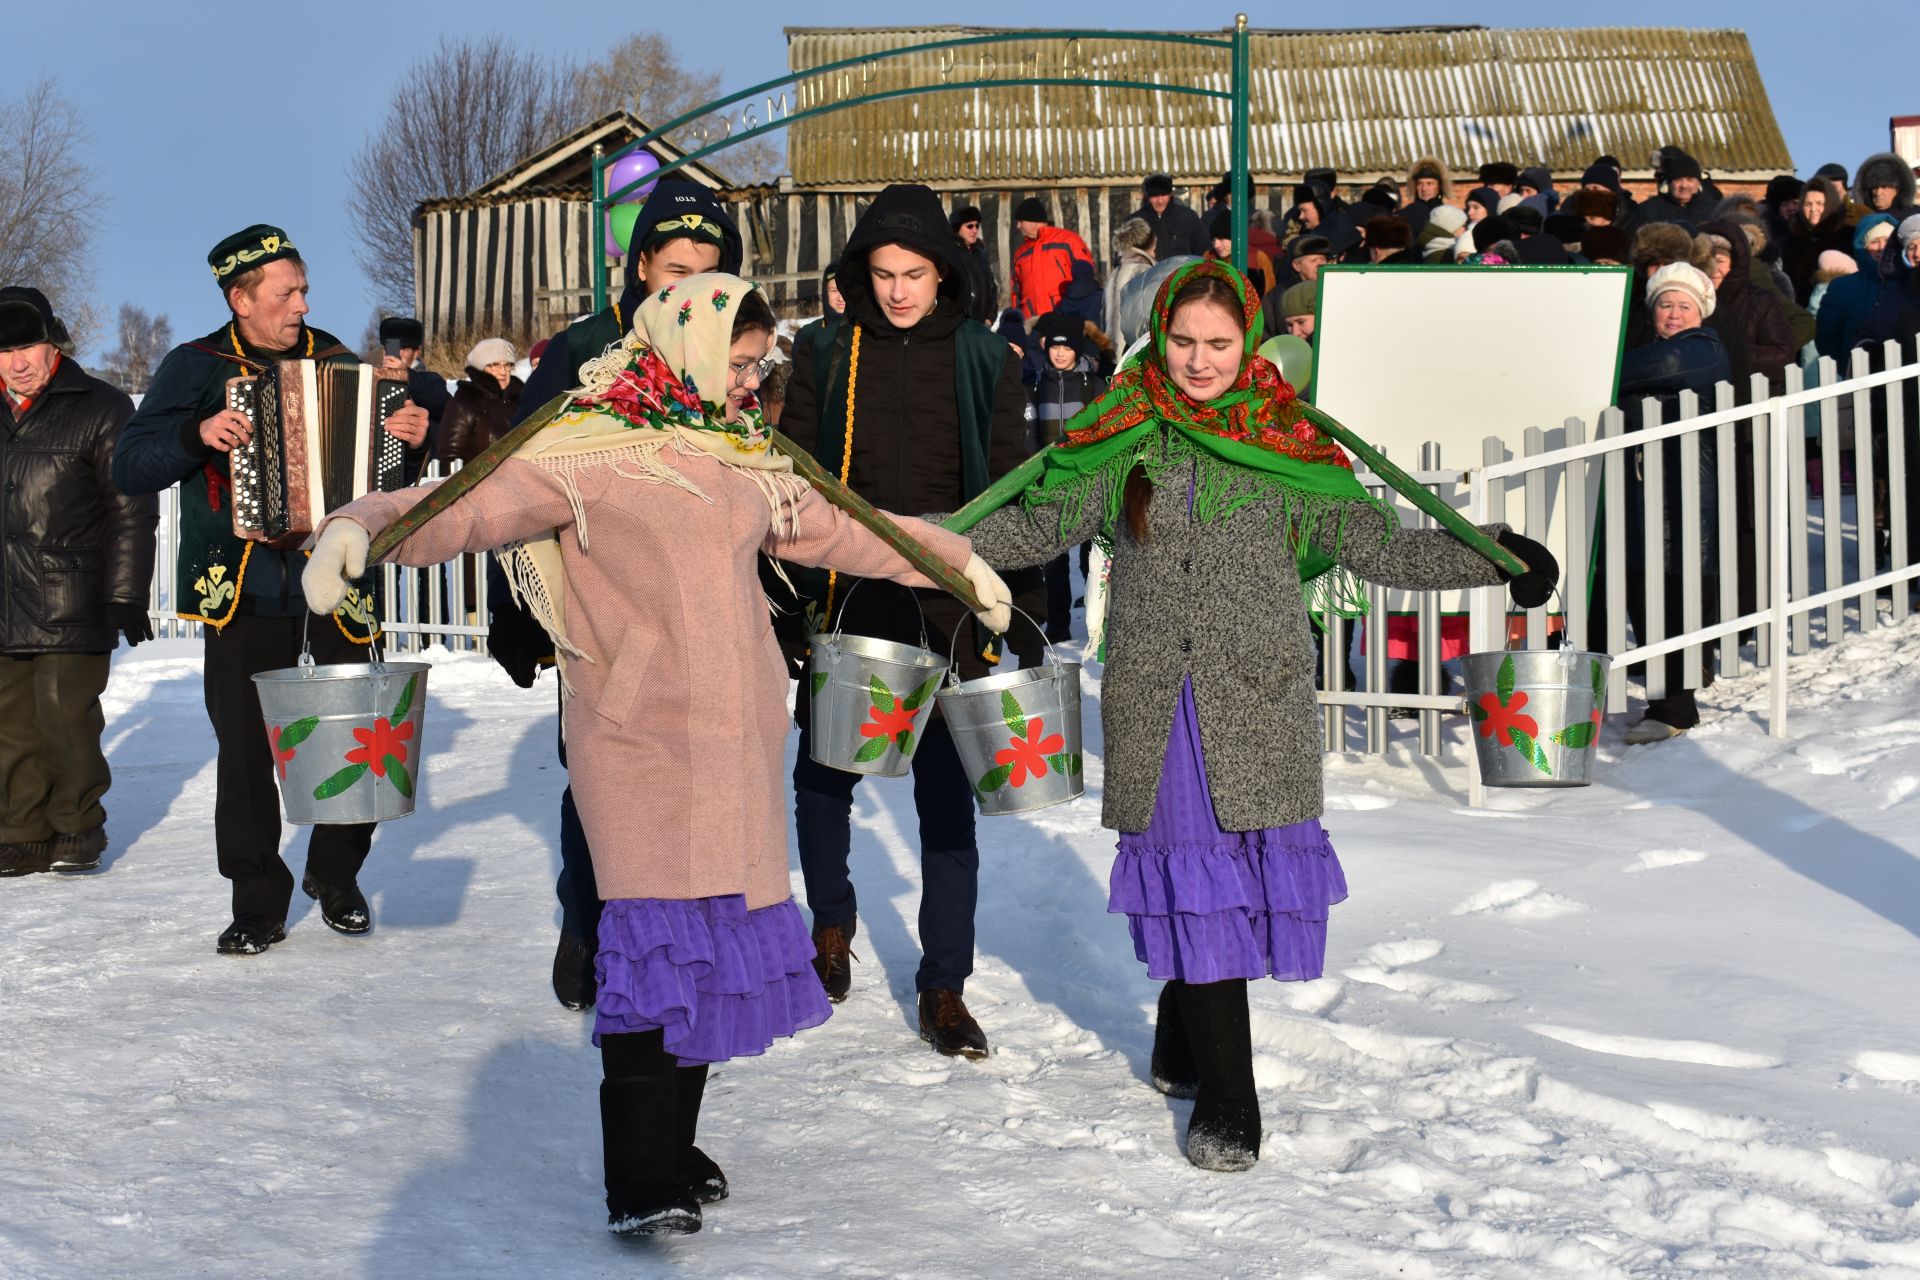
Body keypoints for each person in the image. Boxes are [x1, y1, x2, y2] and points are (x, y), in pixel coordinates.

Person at [302, 275, 1010, 1237]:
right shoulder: (585, 446)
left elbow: (848, 528)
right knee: (647, 942)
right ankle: (642, 1180)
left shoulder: (744, 457)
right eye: (743, 361)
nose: (752, 383)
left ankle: (674, 1146)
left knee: (711, 947)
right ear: (689, 343)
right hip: (634, 734)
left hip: (739, 736)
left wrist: (951, 559)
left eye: (761, 364)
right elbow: (468, 507)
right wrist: (363, 526)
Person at [948, 260, 1556, 1172]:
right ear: (1161, 335)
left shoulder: (1288, 441)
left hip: (1258, 691)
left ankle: (1179, 1040)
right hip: (1160, 694)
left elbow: (1376, 544)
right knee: (1197, 871)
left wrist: (1488, 557)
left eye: (1219, 344)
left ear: (1250, 344)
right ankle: (1232, 1097)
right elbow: (1040, 521)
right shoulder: (1124, 437)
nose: (1199, 361)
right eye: (1183, 341)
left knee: (1229, 877)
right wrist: (933, 542)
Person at [110, 225, 431, 953]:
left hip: (336, 581)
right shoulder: (195, 367)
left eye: (304, 289)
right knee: (247, 753)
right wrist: (198, 436)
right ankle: (256, 899)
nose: (300, 304)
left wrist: (409, 442)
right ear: (241, 298)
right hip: (243, 586)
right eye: (286, 293)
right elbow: (130, 467)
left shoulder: (339, 362)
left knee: (362, 734)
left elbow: (385, 487)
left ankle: (338, 874)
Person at [778, 184, 1034, 1059]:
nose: (897, 291)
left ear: (943, 273)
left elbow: (1011, 488)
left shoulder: (983, 359)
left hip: (946, 602)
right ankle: (831, 928)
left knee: (945, 799)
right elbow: (794, 481)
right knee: (824, 775)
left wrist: (1009, 599)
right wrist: (791, 599)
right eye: (882, 273)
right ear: (858, 273)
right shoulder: (822, 353)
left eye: (914, 273)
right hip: (850, 589)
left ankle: (943, 986)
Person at [510, 179, 745, 1011]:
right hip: (598, 614)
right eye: (671, 268)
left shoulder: (722, 359)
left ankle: (682, 935)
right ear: (641, 263)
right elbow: (513, 480)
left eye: (703, 274)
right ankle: (591, 924)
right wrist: (522, 619)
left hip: (696, 616)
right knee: (602, 780)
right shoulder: (578, 352)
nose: (683, 289)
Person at [0, 287, 156, 876]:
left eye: (29, 345)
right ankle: (21, 830)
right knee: (9, 722)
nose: (18, 361)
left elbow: (132, 508)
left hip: (69, 592)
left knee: (66, 716)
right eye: (5, 349)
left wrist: (124, 593)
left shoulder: (102, 406)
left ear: (53, 343)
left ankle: (76, 824)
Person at [1594, 263, 1731, 744]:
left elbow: (1665, 368)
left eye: (1684, 305)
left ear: (1701, 312)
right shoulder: (1644, 353)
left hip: (1683, 500)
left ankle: (1675, 709)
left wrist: (1600, 371)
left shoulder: (1705, 348)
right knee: (1642, 600)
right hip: (1638, 497)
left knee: (1675, 602)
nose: (1673, 313)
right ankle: (1660, 699)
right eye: (1665, 304)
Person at [1030, 313, 1110, 640]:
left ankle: (1098, 621)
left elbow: (1106, 432)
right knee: (1053, 559)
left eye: (1066, 348)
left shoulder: (1094, 385)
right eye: (1054, 347)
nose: (1060, 354)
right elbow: (1030, 432)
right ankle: (1059, 624)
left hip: (1087, 480)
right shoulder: (1037, 384)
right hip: (1051, 481)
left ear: (1076, 350)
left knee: (1090, 557)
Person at [1816, 215, 1899, 361]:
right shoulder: (1842, 288)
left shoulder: (1910, 282)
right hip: (1859, 372)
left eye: (1887, 240)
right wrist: (1846, 364)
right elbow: (1826, 337)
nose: (1881, 247)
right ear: (1863, 247)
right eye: (1874, 242)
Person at [435, 338, 523, 465]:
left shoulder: (521, 400)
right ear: (481, 368)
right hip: (481, 483)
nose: (503, 371)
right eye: (495, 365)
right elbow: (450, 457)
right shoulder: (465, 402)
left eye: (507, 365)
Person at [1009, 198, 1098, 323]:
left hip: (1064, 322)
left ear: (1033, 220)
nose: (1018, 226)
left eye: (1020, 221)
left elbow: (1087, 280)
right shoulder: (1020, 253)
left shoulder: (1068, 241)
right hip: (1033, 326)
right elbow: (1016, 293)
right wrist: (1017, 321)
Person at [376, 317, 451, 453]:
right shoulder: (373, 381)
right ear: (383, 350)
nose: (398, 353)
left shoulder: (431, 380)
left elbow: (441, 402)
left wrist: (405, 374)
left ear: (416, 352)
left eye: (404, 349)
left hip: (424, 463)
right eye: (393, 347)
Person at [1783, 178, 1852, 305]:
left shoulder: (1846, 236)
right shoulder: (1792, 239)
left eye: (1820, 203)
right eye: (1808, 204)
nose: (1813, 209)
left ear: (1830, 204)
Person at [1629, 146, 1723, 231]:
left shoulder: (1715, 209)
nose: (1684, 185)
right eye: (1678, 179)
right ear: (1669, 182)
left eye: (1689, 179)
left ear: (1698, 181)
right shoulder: (1647, 210)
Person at [1106, 218, 1157, 349]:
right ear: (1149, 243)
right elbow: (1146, 315)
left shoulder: (1116, 272)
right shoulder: (1143, 270)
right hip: (1134, 351)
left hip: (1112, 351)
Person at [1133, 173, 1209, 261]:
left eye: (1164, 195)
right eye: (1155, 196)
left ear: (1170, 194)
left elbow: (1203, 250)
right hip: (1148, 273)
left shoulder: (1188, 217)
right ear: (1147, 197)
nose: (1160, 201)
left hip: (1181, 273)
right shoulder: (1135, 221)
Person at [949, 204, 999, 324]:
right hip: (961, 324)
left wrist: (990, 317)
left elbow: (992, 288)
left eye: (977, 226)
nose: (975, 230)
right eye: (970, 226)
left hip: (983, 325)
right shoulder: (951, 254)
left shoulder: (981, 254)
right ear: (957, 228)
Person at [1848, 153, 1917, 225]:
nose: (1878, 193)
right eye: (1874, 187)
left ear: (1898, 189)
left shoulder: (1914, 217)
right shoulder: (1858, 220)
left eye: (1884, 187)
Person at [1399, 158, 1450, 231]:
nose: (1424, 189)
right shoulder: (1405, 214)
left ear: (1439, 186)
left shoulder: (1448, 214)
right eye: (1420, 184)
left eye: (1429, 183)